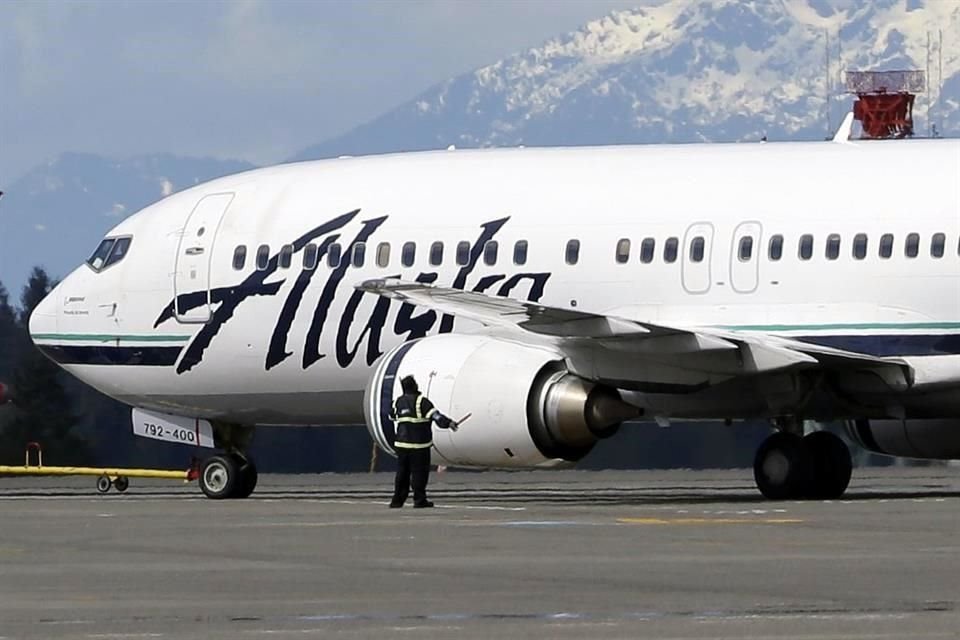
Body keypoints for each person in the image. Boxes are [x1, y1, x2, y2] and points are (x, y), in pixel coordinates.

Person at [389, 374, 457, 508]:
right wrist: (449, 423)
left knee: (402, 474)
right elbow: (436, 417)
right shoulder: (422, 402)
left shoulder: (398, 402)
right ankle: (419, 500)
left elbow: (392, 416)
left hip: (402, 445)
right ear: (415, 386)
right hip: (419, 446)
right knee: (419, 474)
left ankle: (397, 501)